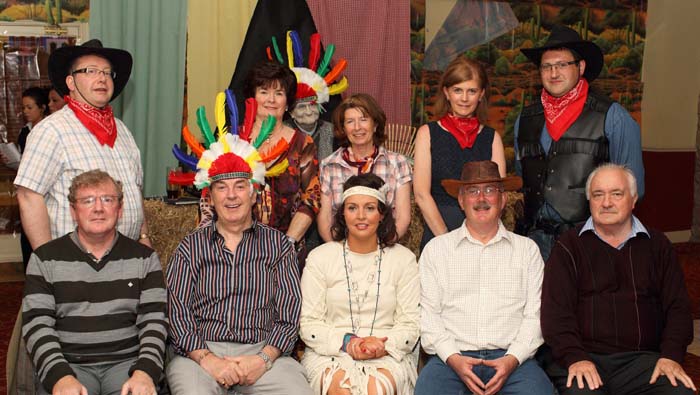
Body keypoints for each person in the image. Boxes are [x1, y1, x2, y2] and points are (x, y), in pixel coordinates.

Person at [166, 133, 312, 395]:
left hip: (264, 353)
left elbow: (289, 314)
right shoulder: (190, 247)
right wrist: (207, 359)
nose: (231, 196)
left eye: (240, 186)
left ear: (254, 194)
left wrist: (262, 359)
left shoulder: (278, 246)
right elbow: (178, 313)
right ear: (210, 197)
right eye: (222, 187)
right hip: (200, 355)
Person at [541, 163, 695, 395]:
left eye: (616, 194)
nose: (606, 203)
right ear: (589, 201)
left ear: (633, 200)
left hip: (642, 361)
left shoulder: (657, 245)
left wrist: (670, 356)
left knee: (679, 392)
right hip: (583, 357)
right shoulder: (568, 246)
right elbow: (555, 315)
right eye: (598, 194)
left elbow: (679, 309)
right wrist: (575, 357)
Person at [22, 169, 167, 395]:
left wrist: (145, 372)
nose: (98, 208)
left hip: (127, 366)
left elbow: (155, 322)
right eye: (87, 200)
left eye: (107, 200)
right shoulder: (44, 259)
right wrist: (60, 377)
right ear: (73, 210)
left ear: (119, 209)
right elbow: (37, 326)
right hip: (70, 366)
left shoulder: (145, 258)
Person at [415, 160, 552, 395]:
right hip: (451, 360)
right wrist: (453, 358)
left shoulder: (527, 250)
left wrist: (512, 359)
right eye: (472, 191)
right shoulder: (436, 250)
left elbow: (535, 315)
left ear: (503, 200)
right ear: (460, 200)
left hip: (512, 360)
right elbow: (428, 314)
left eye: (490, 190)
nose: (481, 198)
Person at [515, 24, 645, 261]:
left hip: (590, 241)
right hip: (532, 243)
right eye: (547, 66)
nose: (554, 73)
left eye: (562, 65)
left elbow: (633, 188)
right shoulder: (525, 118)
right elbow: (521, 178)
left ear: (581, 67)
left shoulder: (613, 117)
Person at [14, 39, 151, 251]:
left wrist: (143, 236)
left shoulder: (122, 130)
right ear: (71, 82)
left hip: (126, 256)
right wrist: (49, 259)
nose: (102, 78)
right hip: (74, 261)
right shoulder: (52, 130)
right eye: (91, 71)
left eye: (107, 72)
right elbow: (29, 196)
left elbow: (135, 189)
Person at [300, 173, 420, 395]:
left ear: (382, 214)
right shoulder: (320, 258)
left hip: (388, 353)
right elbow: (308, 323)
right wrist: (348, 342)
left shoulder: (403, 260)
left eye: (370, 208)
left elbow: (411, 323)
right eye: (352, 208)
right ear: (343, 214)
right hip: (330, 352)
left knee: (377, 389)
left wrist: (381, 345)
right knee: (340, 389)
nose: (361, 216)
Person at [413, 57, 506, 250]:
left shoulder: (492, 137)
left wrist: (479, 238)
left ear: (481, 94)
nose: (464, 98)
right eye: (458, 90)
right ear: (446, 92)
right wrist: (447, 241)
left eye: (471, 91)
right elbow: (421, 194)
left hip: (483, 236)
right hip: (439, 233)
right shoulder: (427, 133)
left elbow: (498, 195)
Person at [318, 93, 412, 242]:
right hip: (341, 248)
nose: (357, 128)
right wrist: (336, 251)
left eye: (363, 120)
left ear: (375, 125)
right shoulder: (329, 165)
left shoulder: (396, 163)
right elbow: (325, 216)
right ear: (343, 128)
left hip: (386, 248)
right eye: (350, 121)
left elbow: (403, 217)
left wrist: (383, 248)